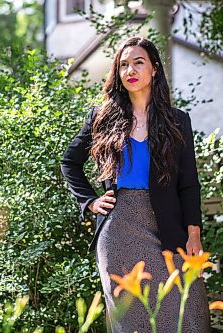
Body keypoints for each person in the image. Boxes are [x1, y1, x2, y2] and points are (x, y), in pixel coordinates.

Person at [60, 36, 210, 332]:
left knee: (187, 311)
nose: (130, 70)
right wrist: (90, 201)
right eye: (123, 64)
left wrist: (194, 234)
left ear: (154, 69)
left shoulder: (178, 121)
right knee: (131, 319)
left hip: (168, 227)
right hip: (118, 230)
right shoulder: (101, 118)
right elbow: (69, 163)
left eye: (138, 62)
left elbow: (189, 184)